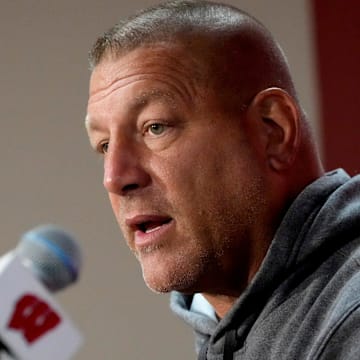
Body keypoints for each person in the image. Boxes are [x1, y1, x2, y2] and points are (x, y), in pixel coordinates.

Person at [85, 1, 360, 359]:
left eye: (155, 127)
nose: (115, 177)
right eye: (104, 145)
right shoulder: (229, 326)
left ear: (273, 131)